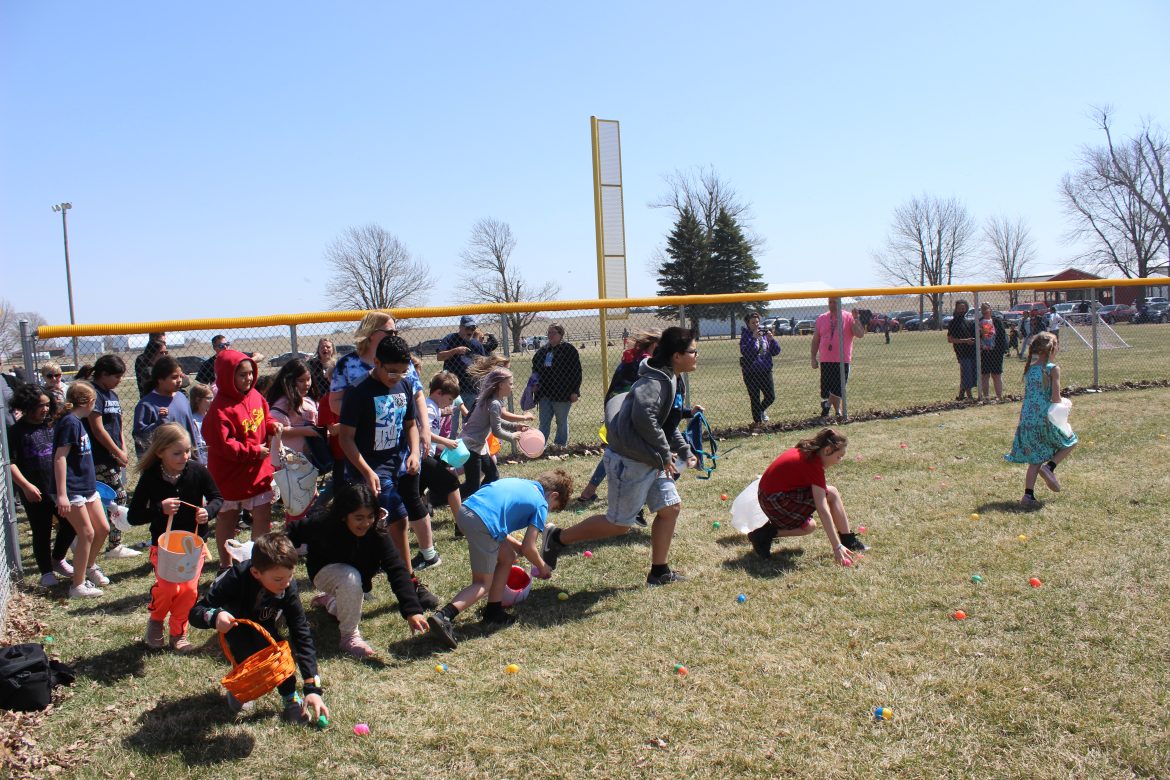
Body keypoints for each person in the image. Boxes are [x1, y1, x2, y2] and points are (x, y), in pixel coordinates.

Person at [541, 327, 698, 587]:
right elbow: (644, 418)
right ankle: (558, 538)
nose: (696, 356)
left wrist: (683, 450)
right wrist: (663, 451)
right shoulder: (654, 382)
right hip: (631, 459)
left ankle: (659, 572)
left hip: (649, 457)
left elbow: (666, 423)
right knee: (619, 525)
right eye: (693, 351)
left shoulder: (672, 377)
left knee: (670, 509)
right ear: (677, 355)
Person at [336, 334, 439, 610]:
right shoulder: (358, 392)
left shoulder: (404, 384)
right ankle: (407, 583)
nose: (396, 376)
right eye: (390, 370)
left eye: (402, 371)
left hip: (397, 466)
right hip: (367, 469)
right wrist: (367, 471)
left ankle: (370, 577)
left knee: (380, 526)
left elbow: (410, 425)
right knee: (396, 521)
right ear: (377, 362)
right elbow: (345, 438)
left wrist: (415, 453)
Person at [188, 533, 329, 724]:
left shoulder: (287, 586)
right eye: (279, 579)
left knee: (278, 653)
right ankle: (243, 684)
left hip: (266, 621)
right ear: (256, 573)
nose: (286, 584)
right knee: (246, 652)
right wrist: (215, 617)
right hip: (236, 624)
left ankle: (290, 698)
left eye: (290, 576)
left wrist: (312, 688)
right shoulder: (235, 577)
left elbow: (300, 631)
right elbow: (196, 611)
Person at [427, 471, 570, 649]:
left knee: (508, 557)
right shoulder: (541, 503)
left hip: (467, 511)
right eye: (553, 507)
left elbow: (497, 514)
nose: (549, 510)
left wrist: (515, 544)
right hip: (482, 522)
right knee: (481, 583)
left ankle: (493, 610)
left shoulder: (521, 482)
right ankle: (444, 616)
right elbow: (529, 547)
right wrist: (542, 567)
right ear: (553, 495)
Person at [287, 483, 429, 658]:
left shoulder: (378, 532)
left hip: (354, 580)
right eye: (359, 517)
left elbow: (397, 569)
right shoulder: (324, 522)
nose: (366, 523)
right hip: (323, 571)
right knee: (350, 578)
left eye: (370, 516)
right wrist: (281, 559)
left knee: (348, 603)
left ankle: (329, 601)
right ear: (344, 515)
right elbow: (290, 532)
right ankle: (349, 636)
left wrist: (412, 611)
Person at [128, 423, 221, 652]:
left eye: (187, 451)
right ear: (160, 453)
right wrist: (160, 508)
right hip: (164, 545)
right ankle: (157, 620)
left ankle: (178, 632)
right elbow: (133, 516)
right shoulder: (150, 477)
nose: (184, 456)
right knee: (169, 589)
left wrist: (207, 512)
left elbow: (217, 498)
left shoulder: (197, 470)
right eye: (177, 453)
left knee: (189, 590)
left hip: (193, 544)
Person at [203, 348, 282, 568]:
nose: (248, 378)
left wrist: (271, 425)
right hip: (230, 474)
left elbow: (264, 418)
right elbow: (224, 444)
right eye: (242, 374)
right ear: (228, 377)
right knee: (228, 518)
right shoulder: (220, 409)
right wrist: (253, 451)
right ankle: (226, 566)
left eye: (250, 373)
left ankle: (258, 562)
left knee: (262, 515)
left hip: (257, 470)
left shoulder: (255, 396)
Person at [747, 428, 866, 566]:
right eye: (839, 456)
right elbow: (822, 508)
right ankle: (847, 541)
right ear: (827, 450)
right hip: (775, 501)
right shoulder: (814, 465)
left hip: (768, 496)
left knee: (810, 526)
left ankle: (762, 535)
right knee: (831, 494)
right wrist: (836, 547)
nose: (839, 461)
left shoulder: (807, 452)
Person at [577, 330, 660, 504]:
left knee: (616, 448)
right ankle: (634, 493)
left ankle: (590, 490)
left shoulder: (633, 356)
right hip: (627, 408)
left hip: (614, 404)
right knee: (621, 450)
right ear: (654, 345)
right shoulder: (646, 361)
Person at [7, 384, 76, 586]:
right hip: (34, 491)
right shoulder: (16, 432)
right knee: (41, 530)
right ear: (27, 406)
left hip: (57, 489)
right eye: (40, 406)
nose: (45, 410)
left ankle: (58, 559)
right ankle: (46, 572)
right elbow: (10, 463)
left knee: (70, 524)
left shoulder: (52, 426)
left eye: (47, 405)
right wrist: (26, 486)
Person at [1005, 332, 1077, 508]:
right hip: (1045, 419)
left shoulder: (1030, 369)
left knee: (1035, 460)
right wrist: (1066, 403)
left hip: (1028, 420)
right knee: (1070, 441)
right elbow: (1055, 398)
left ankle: (1028, 496)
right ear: (1053, 349)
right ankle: (1050, 467)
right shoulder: (1053, 369)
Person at [52, 382, 110, 598]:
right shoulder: (69, 423)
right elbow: (60, 458)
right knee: (86, 533)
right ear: (90, 402)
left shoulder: (78, 422)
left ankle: (89, 566)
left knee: (102, 528)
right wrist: (62, 494)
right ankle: (77, 586)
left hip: (87, 488)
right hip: (72, 489)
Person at [81, 355, 139, 559]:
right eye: (116, 376)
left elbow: (118, 425)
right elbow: (97, 429)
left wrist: (122, 449)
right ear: (103, 374)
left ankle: (112, 543)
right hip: (98, 457)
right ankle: (113, 545)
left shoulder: (112, 394)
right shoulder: (93, 394)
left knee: (114, 497)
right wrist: (116, 451)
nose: (119, 380)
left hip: (114, 455)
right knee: (117, 496)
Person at [458, 368, 531, 498]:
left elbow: (496, 422)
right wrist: (512, 436)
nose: (512, 387)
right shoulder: (494, 402)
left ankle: (480, 499)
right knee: (471, 486)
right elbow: (497, 431)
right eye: (511, 383)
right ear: (501, 385)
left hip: (478, 445)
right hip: (471, 445)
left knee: (492, 475)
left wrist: (516, 427)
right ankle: (440, 496)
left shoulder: (493, 400)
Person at [810, 298, 865, 418]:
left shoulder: (848, 316)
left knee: (839, 387)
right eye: (830, 302)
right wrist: (813, 357)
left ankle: (827, 405)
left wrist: (856, 319)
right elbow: (815, 340)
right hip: (825, 359)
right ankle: (837, 412)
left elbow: (860, 334)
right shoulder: (821, 318)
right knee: (829, 390)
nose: (832, 305)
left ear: (840, 303)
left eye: (835, 302)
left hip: (842, 359)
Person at [133, 355, 197, 457]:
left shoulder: (182, 398)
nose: (179, 380)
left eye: (181, 376)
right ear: (160, 379)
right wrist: (158, 424)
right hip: (161, 464)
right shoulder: (146, 405)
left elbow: (191, 431)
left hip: (186, 459)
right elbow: (140, 437)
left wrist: (196, 456)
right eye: (174, 377)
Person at [530, 323, 582, 448]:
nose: (550, 335)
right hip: (544, 393)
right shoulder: (542, 352)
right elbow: (535, 370)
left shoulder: (569, 350)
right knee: (544, 422)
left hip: (563, 393)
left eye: (553, 333)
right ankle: (540, 446)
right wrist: (534, 384)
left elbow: (576, 372)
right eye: (549, 332)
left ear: (561, 334)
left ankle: (560, 445)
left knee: (561, 421)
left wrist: (575, 391)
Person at [436, 315, 487, 433]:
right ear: (460, 328)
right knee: (450, 426)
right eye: (468, 328)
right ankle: (449, 448)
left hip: (471, 388)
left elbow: (483, 364)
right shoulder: (450, 339)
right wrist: (455, 351)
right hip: (451, 389)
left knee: (469, 424)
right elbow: (439, 357)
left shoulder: (476, 344)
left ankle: (467, 450)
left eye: (473, 328)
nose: (470, 331)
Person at [265, 359, 321, 462]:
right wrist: (304, 431)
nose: (307, 384)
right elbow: (276, 429)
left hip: (305, 456)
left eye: (308, 379)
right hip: (289, 458)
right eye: (301, 380)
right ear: (290, 381)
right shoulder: (283, 403)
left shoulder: (308, 400)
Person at [739, 312, 781, 429]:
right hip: (751, 372)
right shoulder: (746, 336)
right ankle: (757, 422)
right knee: (755, 398)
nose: (756, 324)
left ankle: (761, 411)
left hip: (765, 370)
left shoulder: (763, 333)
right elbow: (746, 352)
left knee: (770, 396)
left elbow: (776, 351)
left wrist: (771, 340)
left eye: (757, 322)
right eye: (753, 322)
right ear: (748, 324)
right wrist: (753, 338)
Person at [946, 300, 977, 402]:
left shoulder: (968, 322)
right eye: (960, 308)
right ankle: (969, 397)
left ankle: (961, 395)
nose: (962, 310)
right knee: (967, 373)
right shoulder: (953, 323)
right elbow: (950, 339)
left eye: (964, 308)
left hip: (971, 351)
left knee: (969, 373)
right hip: (962, 352)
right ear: (956, 309)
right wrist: (965, 341)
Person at [977, 302, 1009, 402]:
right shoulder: (979, 322)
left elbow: (1002, 336)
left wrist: (1002, 350)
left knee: (996, 375)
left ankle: (999, 396)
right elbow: (977, 337)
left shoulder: (997, 321)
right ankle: (986, 397)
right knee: (985, 375)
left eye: (987, 308)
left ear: (991, 309)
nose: (985, 310)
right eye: (983, 309)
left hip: (996, 352)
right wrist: (981, 332)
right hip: (984, 352)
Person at [188, 382, 213, 464]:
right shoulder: (193, 420)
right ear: (197, 400)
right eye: (209, 398)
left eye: (212, 398)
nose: (212, 401)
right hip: (202, 461)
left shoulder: (211, 416)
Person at [306, 338, 336, 402]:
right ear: (318, 350)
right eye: (322, 347)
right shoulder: (311, 364)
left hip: (333, 397)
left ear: (333, 349)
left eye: (328, 347)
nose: (325, 349)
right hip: (315, 398)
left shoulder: (337, 364)